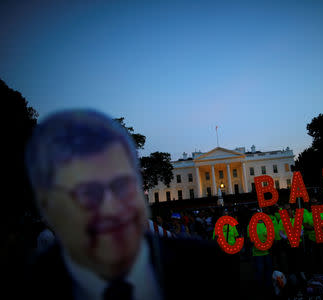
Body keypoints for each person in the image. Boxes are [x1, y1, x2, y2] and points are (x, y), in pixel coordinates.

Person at [22, 109, 235, 300]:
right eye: (88, 193)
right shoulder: (34, 286)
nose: (111, 206)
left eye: (121, 184)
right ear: (48, 207)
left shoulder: (206, 266)